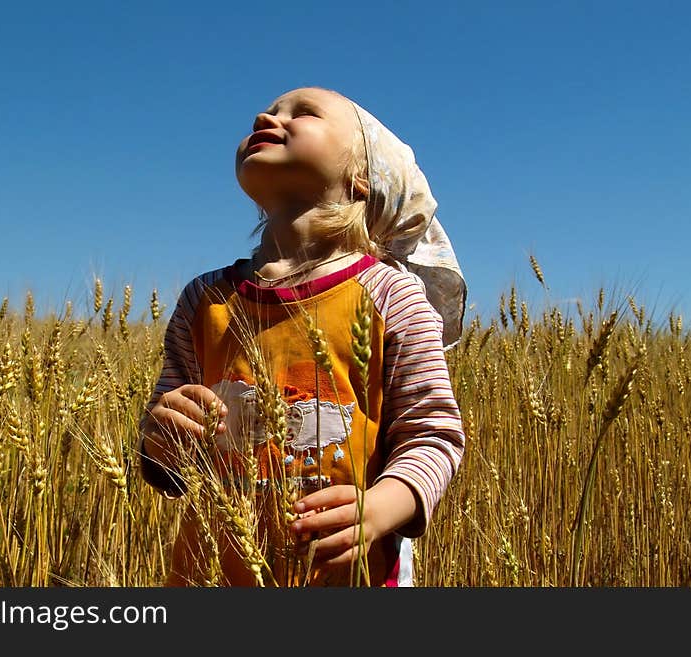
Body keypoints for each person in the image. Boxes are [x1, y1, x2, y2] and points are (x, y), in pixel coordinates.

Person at [138, 86, 466, 587]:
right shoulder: (202, 300)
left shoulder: (391, 294)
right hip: (209, 575)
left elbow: (433, 435)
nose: (266, 117)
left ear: (363, 178)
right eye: (267, 112)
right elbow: (172, 454)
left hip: (347, 577)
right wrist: (160, 436)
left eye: (304, 112)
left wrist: (378, 509)